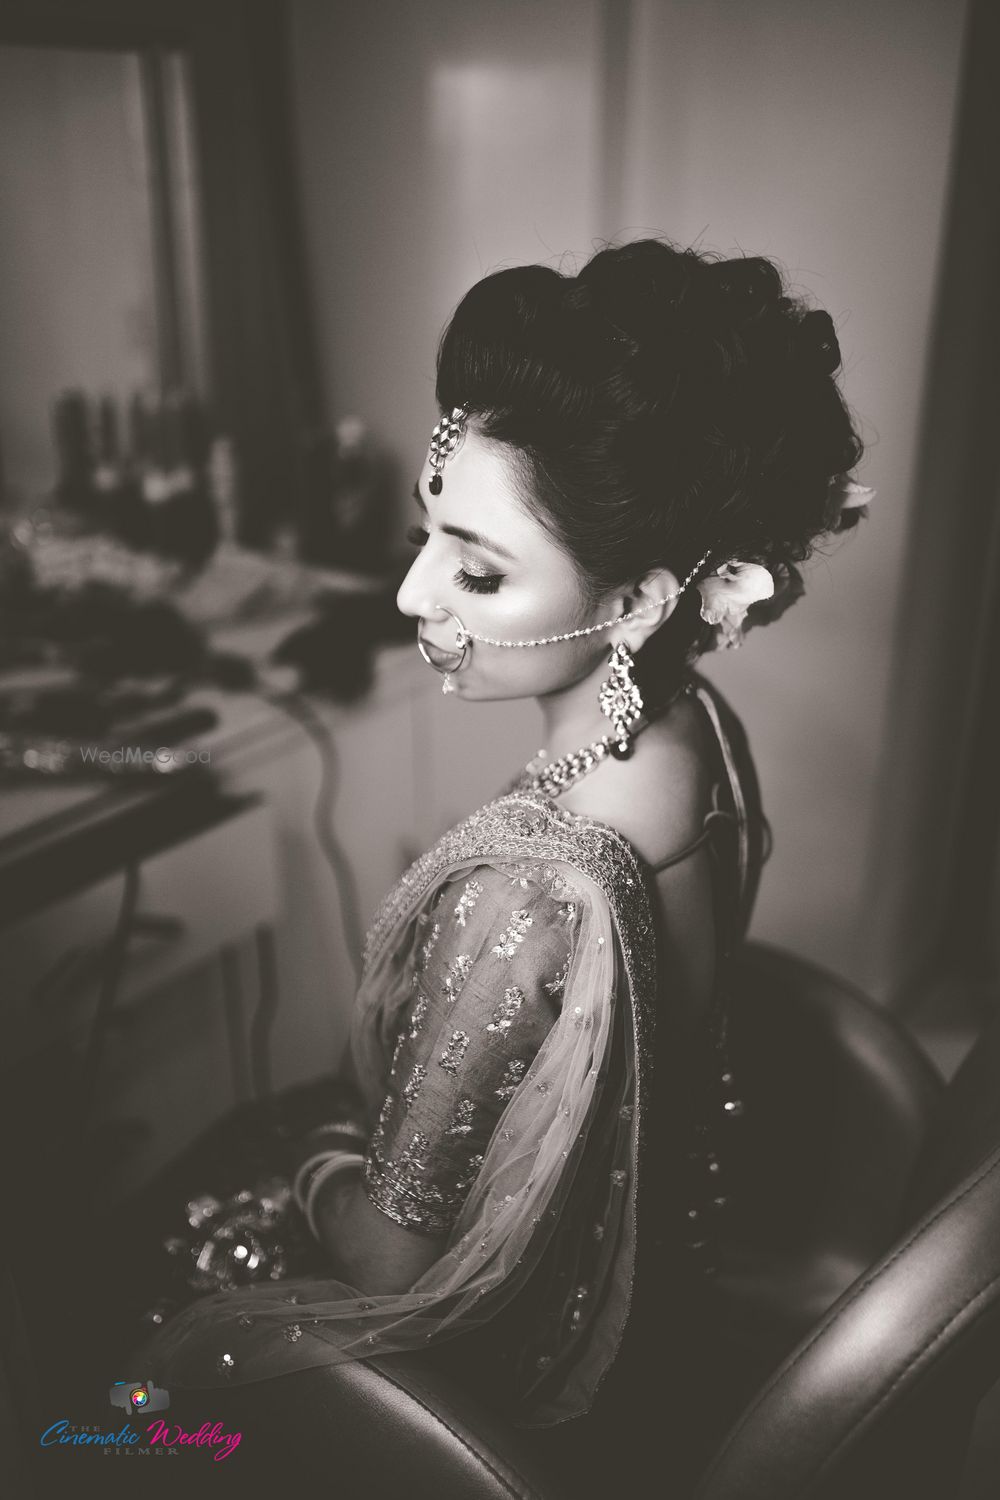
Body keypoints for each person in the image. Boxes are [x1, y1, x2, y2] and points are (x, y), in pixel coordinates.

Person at [136, 239, 871, 1492]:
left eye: (478, 568)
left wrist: (320, 1153)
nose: (417, 591)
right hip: (668, 1247)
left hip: (519, 1362)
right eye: (429, 532)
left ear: (643, 600)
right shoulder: (696, 732)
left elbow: (395, 1271)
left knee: (137, 1270)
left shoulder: (534, 887)